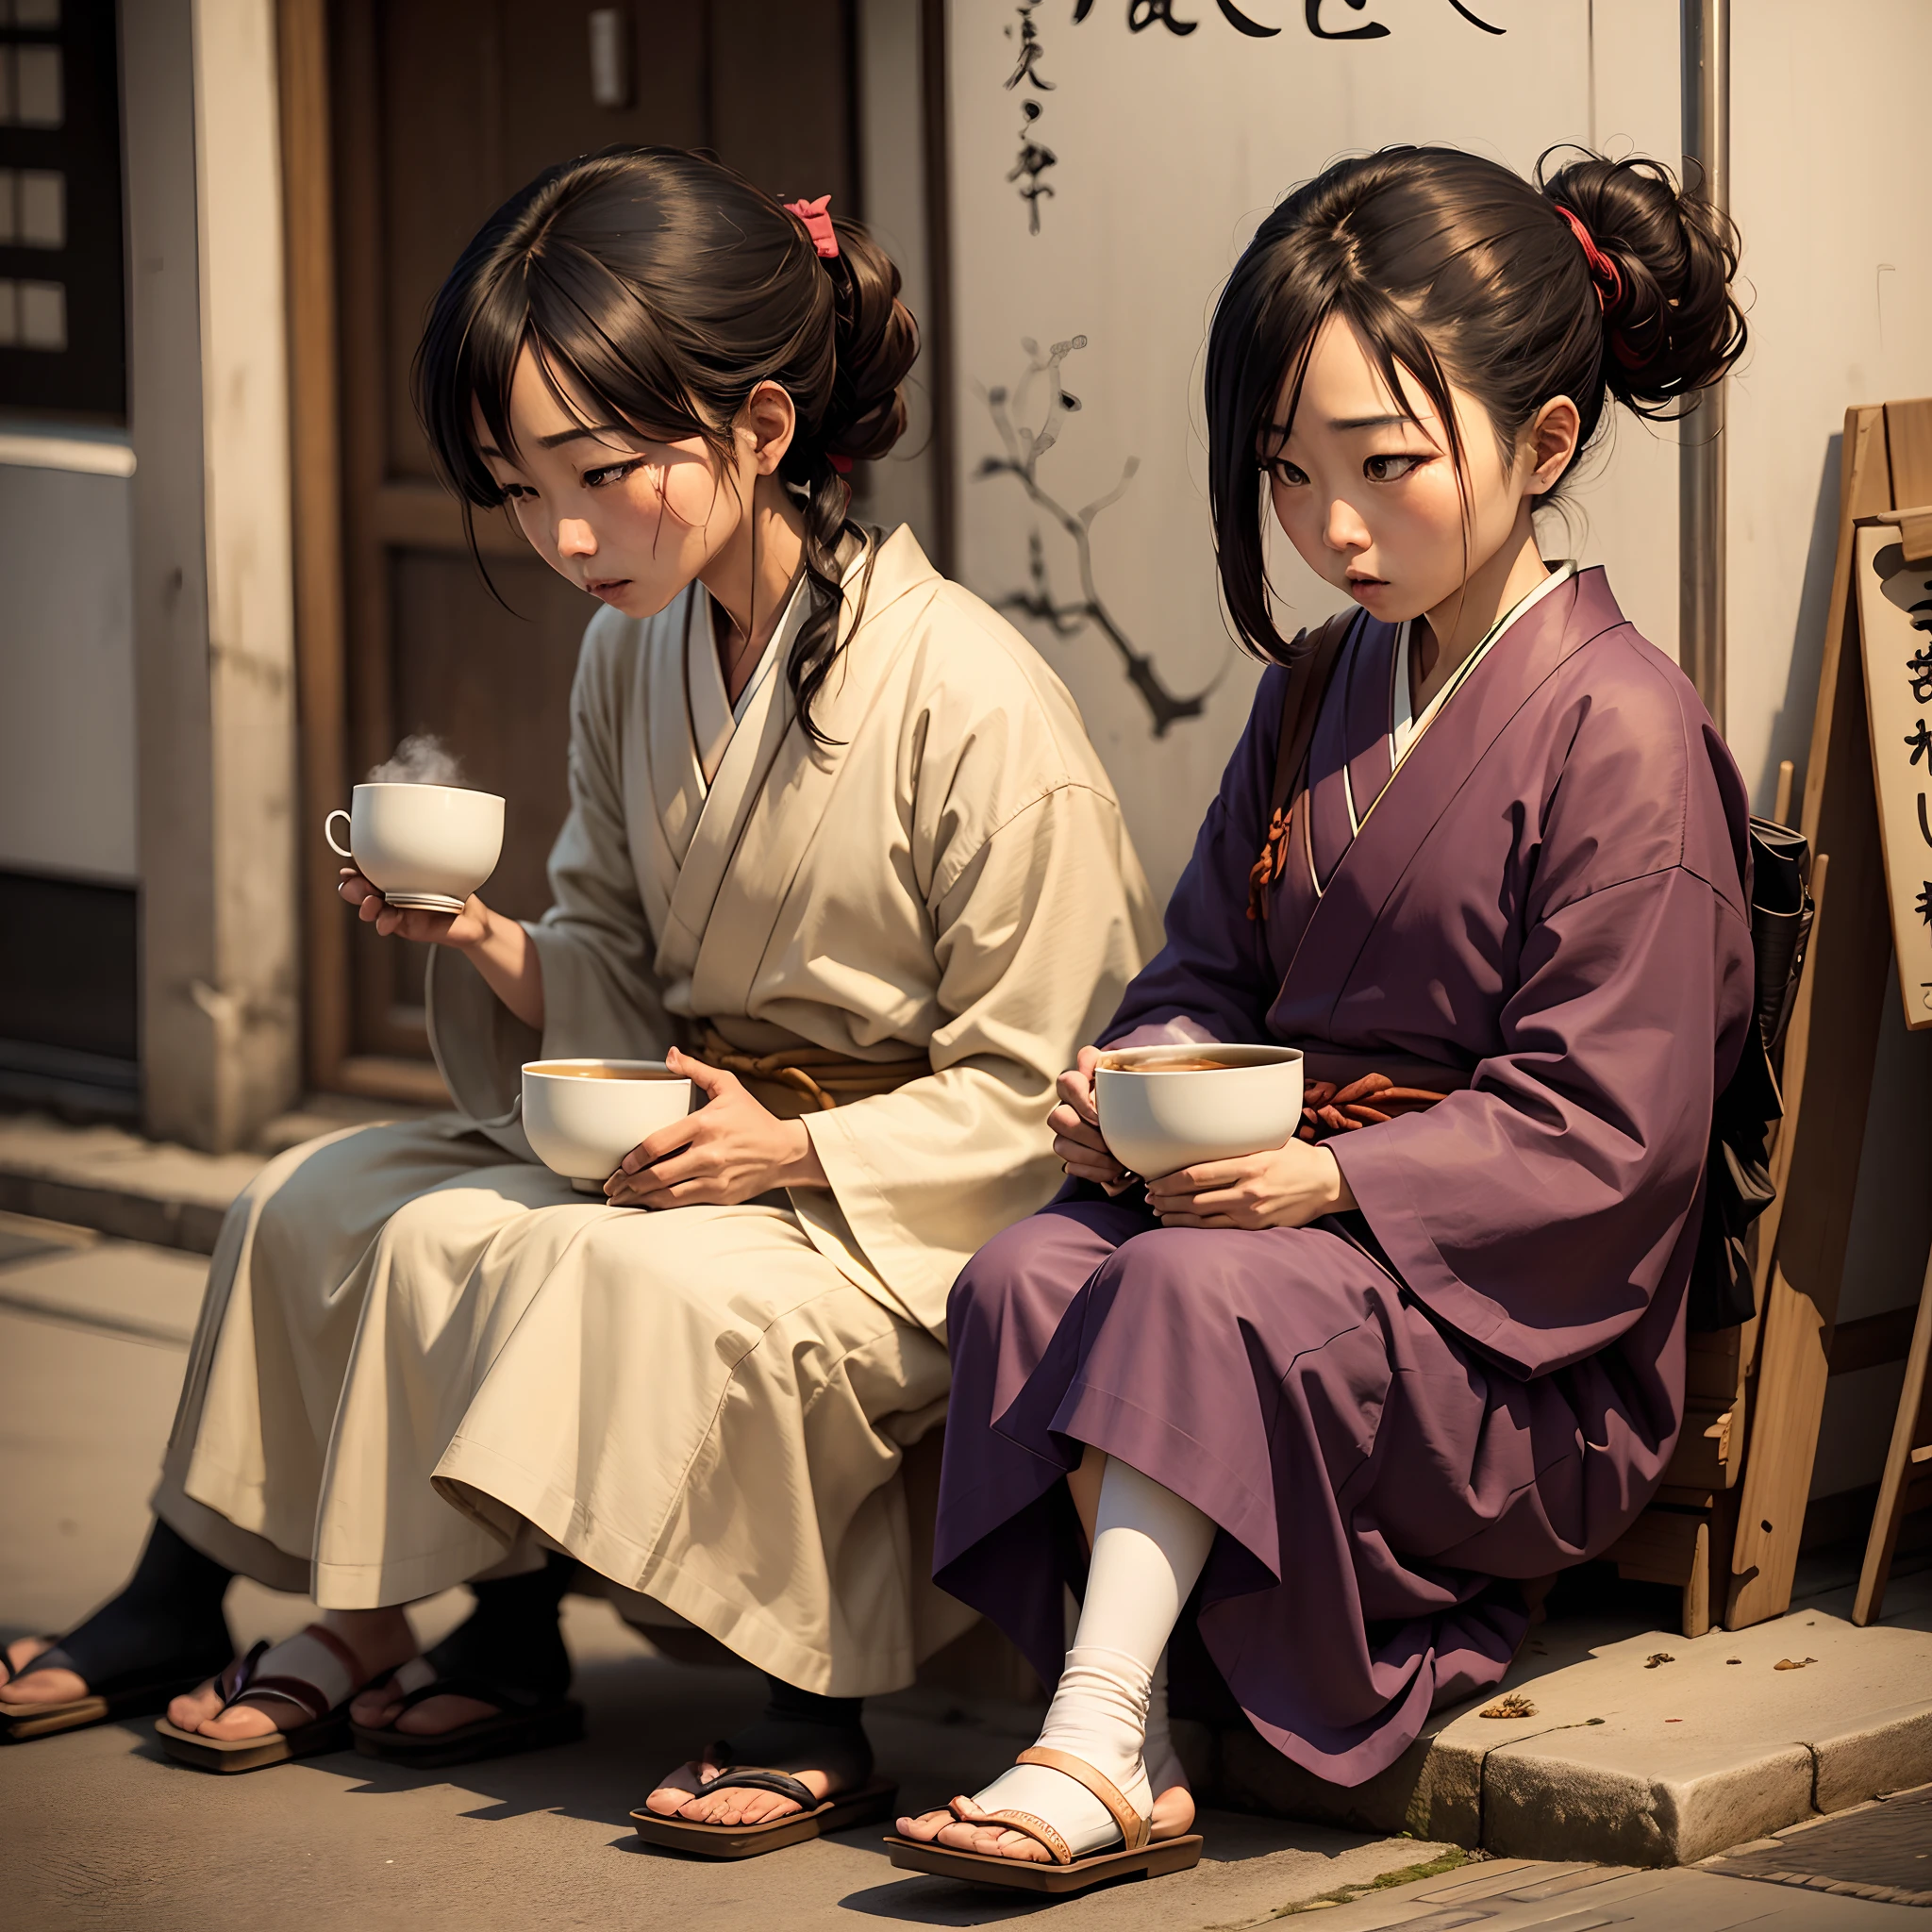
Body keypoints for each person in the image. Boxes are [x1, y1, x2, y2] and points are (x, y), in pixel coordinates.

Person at [2, 148, 1155, 1848]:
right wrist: (482, 944)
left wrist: (794, 1154)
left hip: (892, 1205)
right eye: (521, 485)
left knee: (557, 1256)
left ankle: (799, 1707)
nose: (562, 534)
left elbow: (1045, 1088)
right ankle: (222, 1590)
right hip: (702, 1134)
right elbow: (610, 960)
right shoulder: (636, 646)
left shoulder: (978, 701)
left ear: (763, 431)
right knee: (319, 1199)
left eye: (604, 473)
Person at [893, 143, 1756, 1887]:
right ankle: (1127, 1723)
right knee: (1026, 1272)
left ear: (1545, 444)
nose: (1332, 529)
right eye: (1288, 475)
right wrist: (1132, 1090)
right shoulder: (1314, 692)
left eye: (1384, 468)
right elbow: (1202, 974)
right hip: (1295, 1243)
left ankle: (1094, 1730)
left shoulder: (1630, 736)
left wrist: (1339, 1183)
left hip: (1518, 1351)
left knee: (1194, 1289)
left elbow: (1609, 1128)